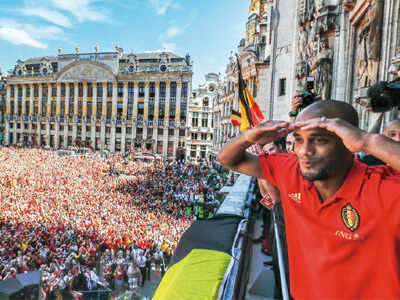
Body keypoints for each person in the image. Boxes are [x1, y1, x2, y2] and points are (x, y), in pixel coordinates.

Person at [217, 100, 400, 299]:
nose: (304, 151)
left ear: (349, 142)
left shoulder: (382, 188)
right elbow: (228, 159)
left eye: (319, 140)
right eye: (298, 139)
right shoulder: (291, 169)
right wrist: (248, 137)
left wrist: (368, 141)